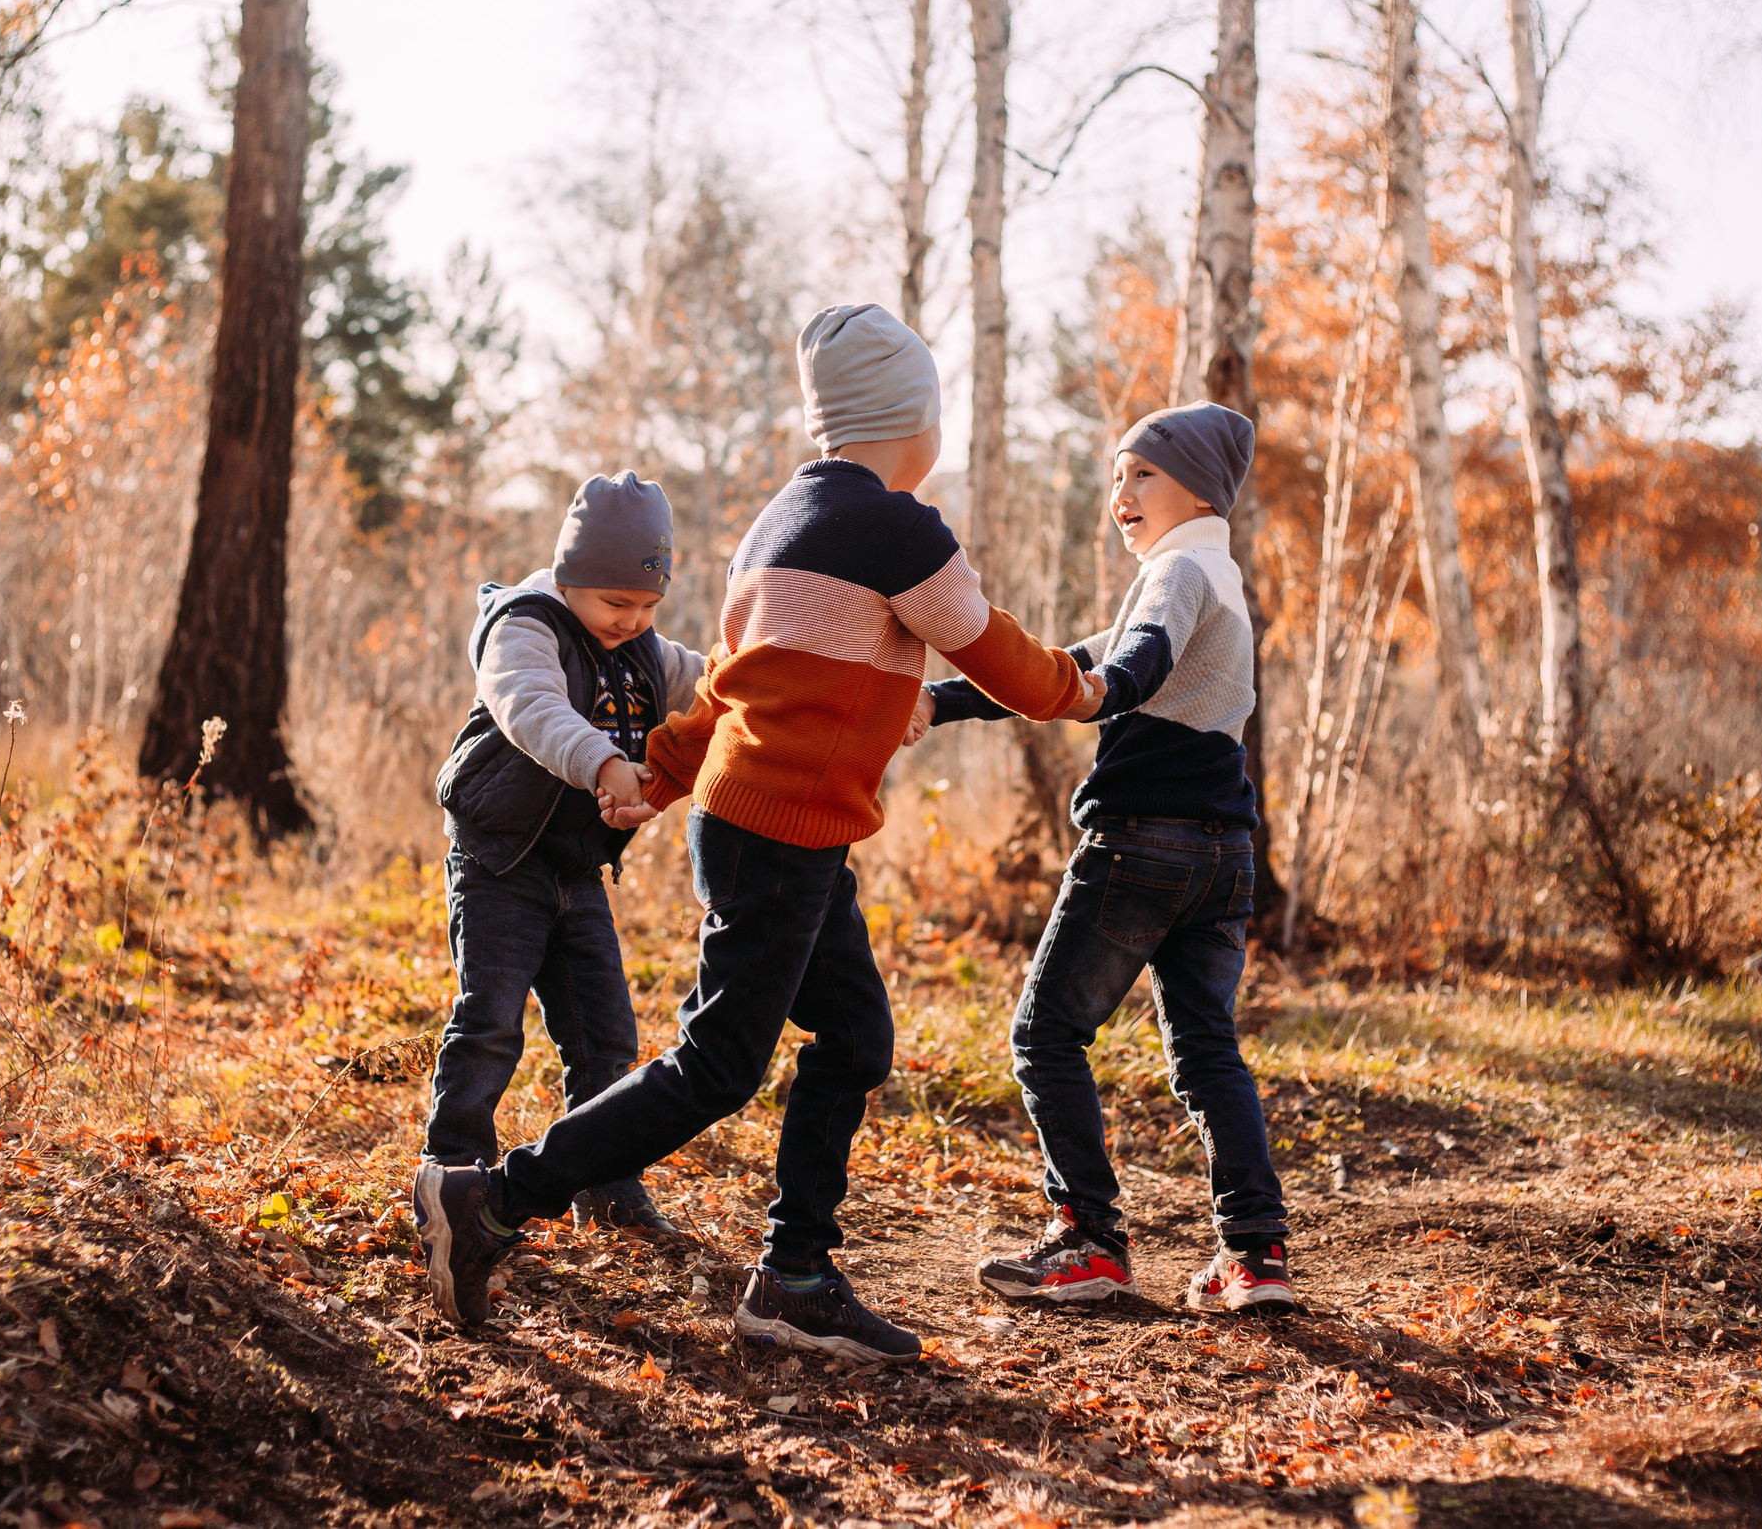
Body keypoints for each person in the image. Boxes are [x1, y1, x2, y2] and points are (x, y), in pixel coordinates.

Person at [414, 304, 1105, 1360]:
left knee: (855, 1038)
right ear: (910, 420)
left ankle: (794, 1275)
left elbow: (735, 684)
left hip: (768, 823)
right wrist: (1081, 689)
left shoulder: (780, 520)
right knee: (719, 1064)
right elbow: (993, 650)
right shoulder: (899, 529)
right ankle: (495, 1200)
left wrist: (663, 774)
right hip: (781, 832)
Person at [907, 403, 1295, 1313]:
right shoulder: (1219, 578)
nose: (1121, 492)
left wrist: (1109, 690)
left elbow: (1133, 658)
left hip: (1140, 846)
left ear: (1200, 489)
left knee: (1045, 1034)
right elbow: (1058, 664)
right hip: (1223, 856)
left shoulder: (1177, 573)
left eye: (1143, 473)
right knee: (1207, 1051)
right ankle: (1256, 1254)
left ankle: (1089, 1240)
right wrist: (941, 700)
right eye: (1117, 475)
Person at [423, 470, 702, 1238]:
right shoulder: (523, 628)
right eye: (616, 602)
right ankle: (453, 1177)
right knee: (490, 1021)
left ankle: (607, 1184)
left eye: (648, 605)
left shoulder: (643, 647)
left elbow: (712, 687)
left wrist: (778, 688)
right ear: (572, 574)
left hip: (576, 872)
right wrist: (605, 762)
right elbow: (532, 707)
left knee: (605, 1036)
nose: (632, 620)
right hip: (499, 861)